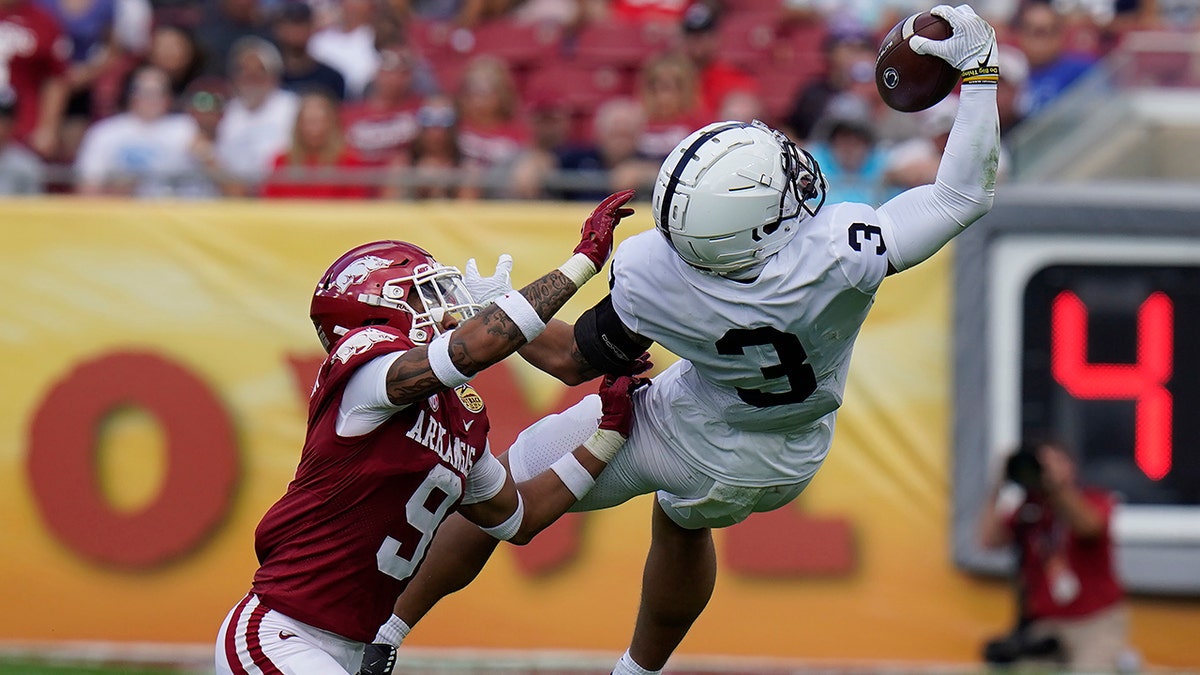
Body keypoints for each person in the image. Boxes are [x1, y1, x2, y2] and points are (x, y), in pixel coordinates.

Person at [374, 5, 1003, 674]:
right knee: (683, 519)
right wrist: (981, 72)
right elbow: (960, 195)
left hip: (694, 420)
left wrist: (498, 308)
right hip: (792, 450)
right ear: (759, 229)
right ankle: (638, 669)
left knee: (506, 483)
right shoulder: (842, 254)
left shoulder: (653, 270)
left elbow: (567, 359)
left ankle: (381, 631)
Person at [215, 189, 642, 675]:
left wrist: (607, 434)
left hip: (346, 649)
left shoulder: (457, 415)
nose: (445, 306)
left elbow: (519, 519)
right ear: (377, 310)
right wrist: (584, 261)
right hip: (281, 632)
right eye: (424, 293)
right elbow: (466, 352)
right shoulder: (365, 367)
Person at [978, 438, 1134, 671]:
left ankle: (1124, 663)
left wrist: (1057, 488)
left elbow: (1088, 526)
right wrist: (997, 488)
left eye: (1053, 462)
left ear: (1071, 465)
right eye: (1041, 464)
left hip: (1094, 620)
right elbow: (989, 540)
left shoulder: (1094, 499)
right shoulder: (1030, 509)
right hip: (1047, 622)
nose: (1046, 469)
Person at [73, 65, 197, 196]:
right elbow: (87, 188)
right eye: (145, 92)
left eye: (158, 92)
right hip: (120, 211)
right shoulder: (104, 132)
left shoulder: (187, 128)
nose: (151, 99)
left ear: (169, 97)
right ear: (130, 95)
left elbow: (211, 176)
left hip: (175, 210)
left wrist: (205, 155)